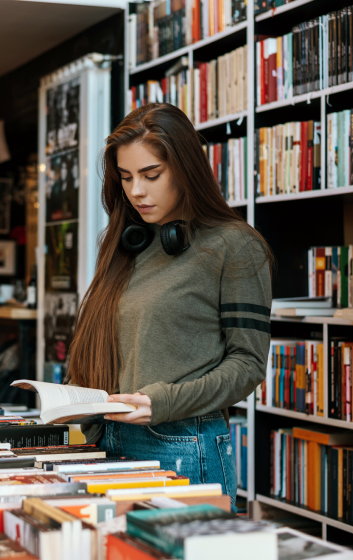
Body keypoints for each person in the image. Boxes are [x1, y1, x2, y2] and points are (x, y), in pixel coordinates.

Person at [67, 103, 273, 508]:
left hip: (181, 443)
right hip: (105, 440)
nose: (136, 191)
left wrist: (161, 402)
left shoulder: (234, 246)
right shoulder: (127, 245)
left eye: (151, 175)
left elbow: (248, 365)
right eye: (125, 177)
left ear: (185, 169)